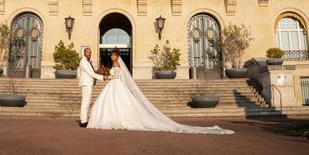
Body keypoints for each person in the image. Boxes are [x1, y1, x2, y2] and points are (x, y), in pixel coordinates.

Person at [87, 50, 233, 134]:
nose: (113, 57)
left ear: (117, 57)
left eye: (114, 55)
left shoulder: (117, 64)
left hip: (115, 84)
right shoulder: (114, 64)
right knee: (116, 104)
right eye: (112, 55)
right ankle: (117, 118)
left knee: (117, 103)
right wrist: (106, 74)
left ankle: (118, 119)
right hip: (114, 85)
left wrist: (106, 75)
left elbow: (116, 75)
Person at [78, 47, 107, 128]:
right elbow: (90, 73)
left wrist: (100, 72)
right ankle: (83, 121)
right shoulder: (83, 62)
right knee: (85, 102)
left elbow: (93, 72)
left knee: (87, 102)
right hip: (86, 83)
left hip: (89, 83)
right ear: (84, 53)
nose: (89, 54)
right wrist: (102, 78)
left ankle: (84, 120)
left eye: (90, 52)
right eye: (87, 52)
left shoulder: (88, 62)